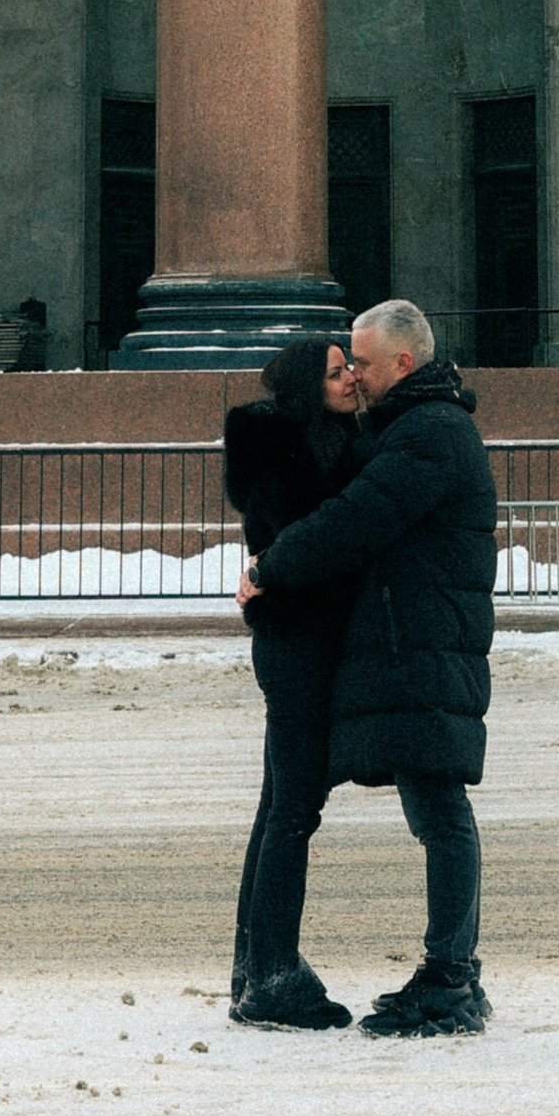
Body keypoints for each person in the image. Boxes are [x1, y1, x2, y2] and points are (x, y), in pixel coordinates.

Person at [240, 299, 499, 1040]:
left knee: (439, 810)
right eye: (339, 364)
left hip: (423, 647)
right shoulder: (409, 427)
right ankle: (438, 974)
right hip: (414, 643)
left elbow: (355, 518)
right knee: (431, 808)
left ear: (402, 364)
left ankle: (451, 980)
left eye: (359, 360)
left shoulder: (429, 432)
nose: (352, 372)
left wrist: (270, 564)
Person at [221, 334, 367, 1030]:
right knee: (293, 810)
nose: (350, 381)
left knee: (279, 804)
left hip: (291, 640)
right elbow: (307, 550)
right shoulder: (294, 457)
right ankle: (272, 974)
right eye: (338, 373)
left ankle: (254, 968)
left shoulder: (310, 445)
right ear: (310, 386)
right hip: (299, 644)